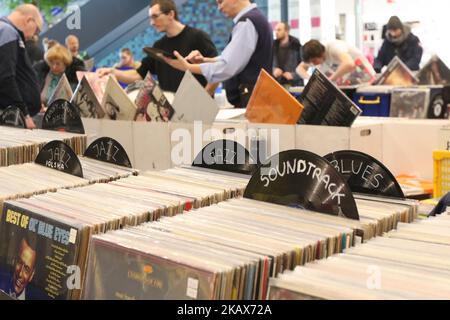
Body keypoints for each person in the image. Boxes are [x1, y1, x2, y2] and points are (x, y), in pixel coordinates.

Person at [163, 0, 273, 109]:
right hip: (256, 99)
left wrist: (188, 67)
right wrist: (205, 60)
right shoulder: (256, 18)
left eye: (220, 2)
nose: (219, 8)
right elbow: (235, 58)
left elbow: (228, 66)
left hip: (252, 102)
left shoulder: (247, 23)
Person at [98, 0, 218, 94]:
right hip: (171, 112)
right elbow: (139, 75)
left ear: (171, 14)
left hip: (197, 110)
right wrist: (112, 72)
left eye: (155, 16)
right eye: (150, 18)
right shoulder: (158, 46)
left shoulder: (198, 37)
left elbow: (218, 70)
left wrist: (206, 95)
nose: (152, 22)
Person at [0, 4, 44, 129]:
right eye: (37, 30)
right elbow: (6, 77)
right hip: (11, 116)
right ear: (29, 20)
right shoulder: (7, 31)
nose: (34, 35)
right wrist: (24, 114)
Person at [296, 39, 376, 85]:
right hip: (349, 84)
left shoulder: (334, 48)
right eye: (310, 62)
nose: (313, 64)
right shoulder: (314, 55)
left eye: (314, 61)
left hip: (366, 79)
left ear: (320, 53)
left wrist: (331, 79)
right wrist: (310, 78)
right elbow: (299, 69)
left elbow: (349, 64)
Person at [272, 22, 303, 87]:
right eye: (275, 30)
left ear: (286, 31)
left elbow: (304, 66)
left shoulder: (297, 46)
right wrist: (274, 70)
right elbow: (266, 64)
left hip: (294, 85)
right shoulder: (272, 46)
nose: (276, 32)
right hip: (277, 84)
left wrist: (293, 75)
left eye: (279, 30)